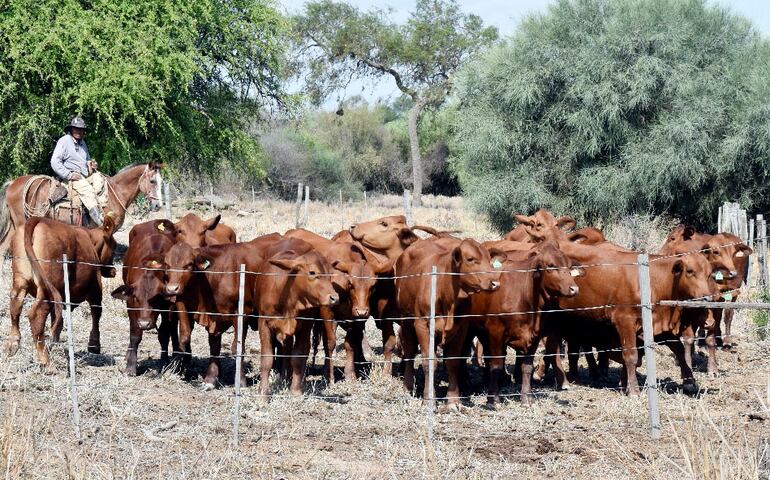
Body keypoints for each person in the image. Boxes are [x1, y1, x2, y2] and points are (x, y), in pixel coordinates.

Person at [50, 116, 108, 226]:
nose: (79, 131)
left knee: (102, 180)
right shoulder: (64, 141)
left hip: (85, 175)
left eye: (81, 129)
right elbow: (54, 162)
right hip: (72, 176)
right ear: (71, 129)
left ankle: (94, 213)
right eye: (76, 128)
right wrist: (69, 175)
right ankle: (100, 223)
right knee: (88, 191)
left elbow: (86, 161)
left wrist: (91, 164)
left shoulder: (83, 143)